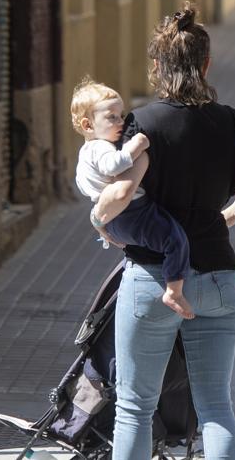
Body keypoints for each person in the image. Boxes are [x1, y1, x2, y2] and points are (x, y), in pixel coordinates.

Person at [90, 4, 235, 459]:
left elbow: (120, 194)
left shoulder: (142, 125)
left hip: (153, 280)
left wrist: (98, 219)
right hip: (220, 278)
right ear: (206, 64)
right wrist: (214, 223)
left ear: (156, 66)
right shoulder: (232, 121)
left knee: (134, 406)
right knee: (215, 406)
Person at [71, 79, 193, 319]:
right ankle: (174, 291)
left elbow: (83, 186)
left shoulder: (84, 153)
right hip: (133, 212)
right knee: (176, 240)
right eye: (111, 117)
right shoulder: (100, 148)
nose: (121, 122)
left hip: (116, 219)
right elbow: (114, 166)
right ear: (87, 125)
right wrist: (137, 144)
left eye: (122, 114)